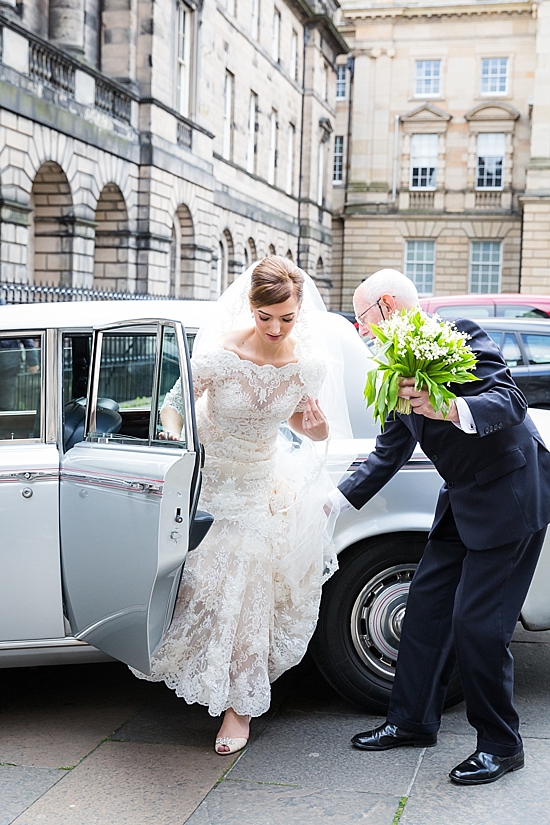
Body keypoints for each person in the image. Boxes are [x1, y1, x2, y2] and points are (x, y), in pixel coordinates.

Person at [333, 268, 550, 785]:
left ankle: (502, 744)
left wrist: (450, 406)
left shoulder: (461, 335)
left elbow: (508, 400)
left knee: (479, 627)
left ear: (386, 308)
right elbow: (388, 451)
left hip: (511, 497)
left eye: (362, 319)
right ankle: (411, 722)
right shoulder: (392, 368)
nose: (361, 331)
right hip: (462, 500)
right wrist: (332, 502)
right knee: (427, 606)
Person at [131, 256, 351, 754]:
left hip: (256, 485)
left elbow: (305, 425)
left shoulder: (307, 366)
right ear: (250, 308)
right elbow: (173, 401)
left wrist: (316, 427)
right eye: (265, 316)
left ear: (299, 311)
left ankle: (240, 707)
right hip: (208, 481)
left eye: (286, 318)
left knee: (248, 574)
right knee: (200, 581)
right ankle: (207, 675)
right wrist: (173, 426)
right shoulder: (218, 353)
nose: (275, 328)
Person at [0, 299, 40, 411]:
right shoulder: (10, 314)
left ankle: (6, 423)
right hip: (9, 363)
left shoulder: (8, 315)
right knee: (6, 400)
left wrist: (33, 361)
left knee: (6, 401)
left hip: (8, 365)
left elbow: (27, 339)